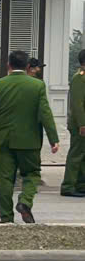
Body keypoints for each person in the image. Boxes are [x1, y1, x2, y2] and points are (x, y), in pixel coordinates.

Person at [0, 50, 59, 224]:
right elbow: (45, 113)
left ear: (8, 65)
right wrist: (53, 139)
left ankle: (6, 217)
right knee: (32, 173)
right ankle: (25, 201)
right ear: (27, 66)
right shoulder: (37, 86)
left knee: (4, 179)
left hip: (2, 140)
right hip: (29, 141)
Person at [61, 48, 85, 198]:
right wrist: (82, 124)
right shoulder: (79, 78)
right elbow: (77, 104)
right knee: (76, 155)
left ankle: (81, 185)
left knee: (83, 155)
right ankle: (68, 186)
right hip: (79, 124)